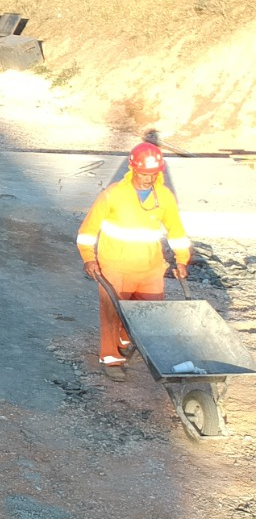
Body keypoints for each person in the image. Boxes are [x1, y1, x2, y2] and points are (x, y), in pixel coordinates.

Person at [76, 141, 192, 378]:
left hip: (150, 268)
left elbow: (176, 230)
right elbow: (87, 231)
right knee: (111, 313)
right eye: (144, 173)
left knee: (147, 312)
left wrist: (182, 259)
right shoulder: (113, 195)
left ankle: (126, 337)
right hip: (115, 267)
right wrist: (89, 259)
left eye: (153, 174)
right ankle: (110, 358)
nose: (148, 179)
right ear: (133, 169)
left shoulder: (164, 197)